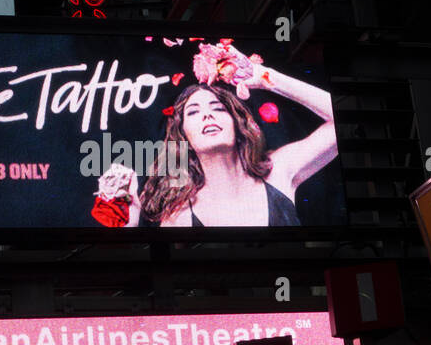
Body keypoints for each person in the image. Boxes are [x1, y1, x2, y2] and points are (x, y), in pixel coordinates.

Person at [103, 46, 337, 226]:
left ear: (237, 124)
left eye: (218, 108)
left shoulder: (278, 170)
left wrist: (267, 78)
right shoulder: (180, 217)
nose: (207, 116)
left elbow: (340, 121)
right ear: (183, 137)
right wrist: (130, 226)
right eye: (194, 112)